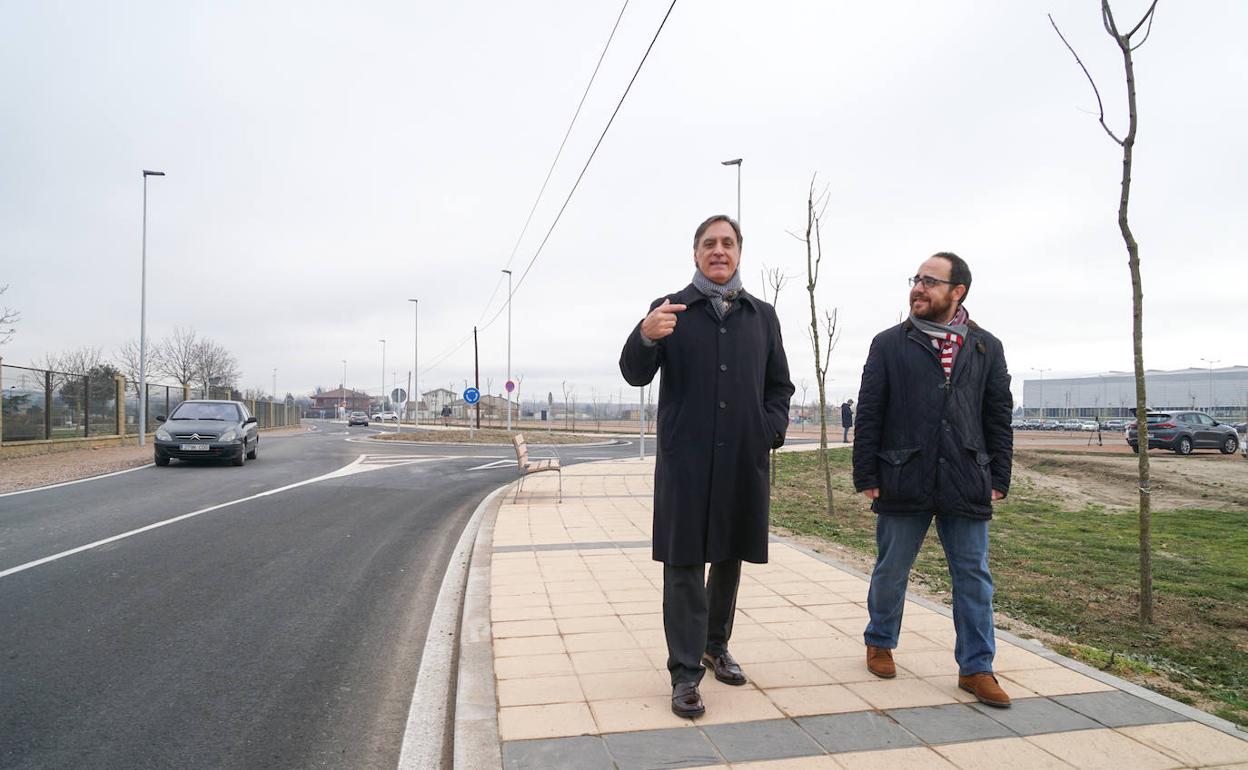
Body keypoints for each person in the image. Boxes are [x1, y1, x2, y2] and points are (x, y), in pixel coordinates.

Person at [620, 214, 794, 719]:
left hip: (742, 457)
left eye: (728, 243)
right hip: (687, 462)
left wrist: (770, 430)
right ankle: (684, 673)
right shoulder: (670, 310)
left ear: (740, 252)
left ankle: (716, 646)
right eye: (709, 244)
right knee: (684, 566)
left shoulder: (762, 316)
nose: (719, 250)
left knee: (730, 556)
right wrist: (645, 335)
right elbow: (635, 374)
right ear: (695, 253)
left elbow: (779, 385)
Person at [852, 251, 1014, 708]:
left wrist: (998, 474)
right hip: (904, 472)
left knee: (974, 577)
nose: (918, 288)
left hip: (966, 475)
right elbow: (870, 409)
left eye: (930, 281)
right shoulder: (889, 343)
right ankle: (880, 639)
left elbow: (998, 416)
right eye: (916, 279)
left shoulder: (986, 346)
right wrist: (866, 472)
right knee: (892, 568)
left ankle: (977, 667)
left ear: (957, 292)